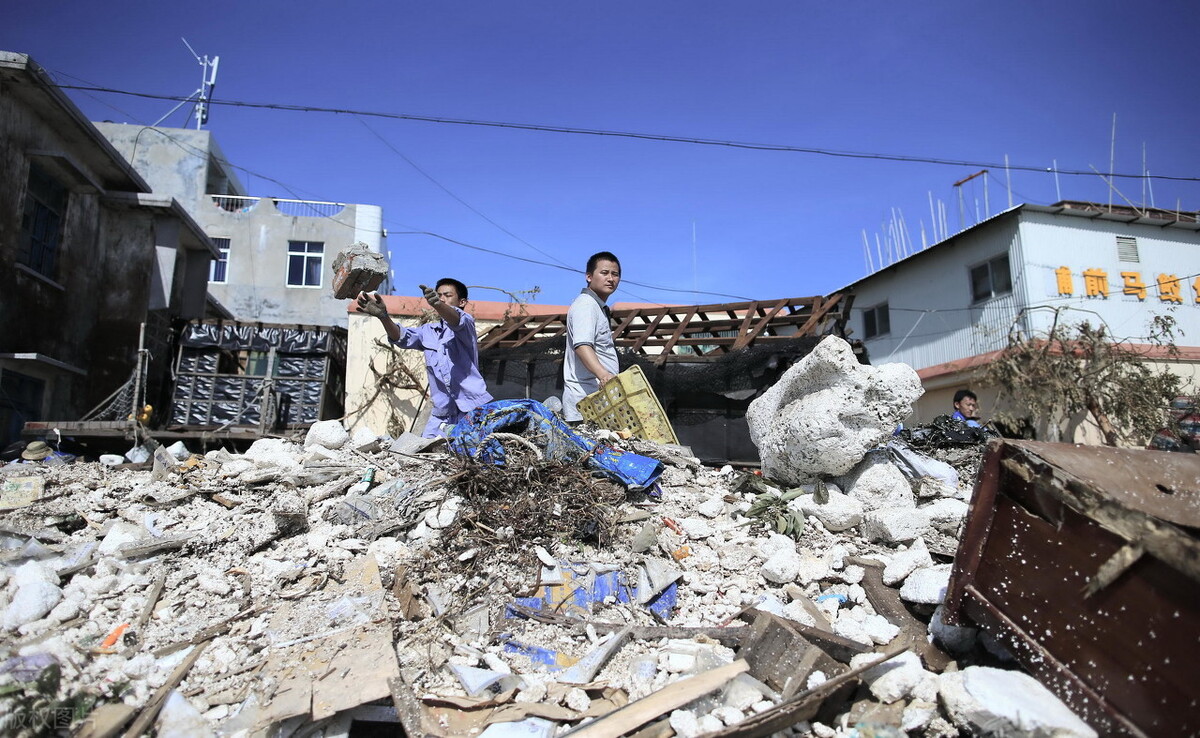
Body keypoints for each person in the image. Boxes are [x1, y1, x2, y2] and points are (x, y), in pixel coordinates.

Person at [356, 279, 493, 438]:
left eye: (447, 295)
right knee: (426, 454)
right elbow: (402, 337)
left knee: (469, 453)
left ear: (462, 302)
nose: (441, 299)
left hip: (470, 409)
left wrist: (437, 305)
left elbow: (457, 320)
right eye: (438, 295)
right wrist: (384, 317)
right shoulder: (429, 331)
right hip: (442, 415)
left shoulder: (466, 324)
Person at [563, 252, 621, 423]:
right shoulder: (586, 305)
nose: (610, 278)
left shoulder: (597, 307)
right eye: (604, 273)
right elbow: (582, 346)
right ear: (589, 276)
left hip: (598, 402)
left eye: (615, 274)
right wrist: (604, 375)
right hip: (585, 404)